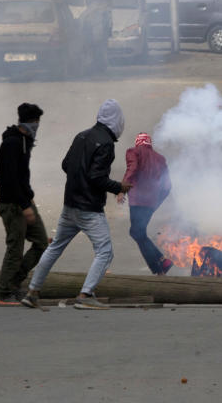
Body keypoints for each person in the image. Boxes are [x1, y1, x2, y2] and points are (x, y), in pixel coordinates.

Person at [21, 100, 130, 311]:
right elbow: (97, 177)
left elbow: (66, 164)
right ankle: (85, 295)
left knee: (54, 248)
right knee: (105, 251)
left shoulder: (82, 135)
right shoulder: (106, 143)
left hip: (69, 205)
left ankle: (32, 292)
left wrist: (78, 178)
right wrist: (119, 187)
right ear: (116, 121)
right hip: (89, 209)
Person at [0, 102, 47, 306]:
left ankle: (14, 282)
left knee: (42, 243)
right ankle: (5, 293)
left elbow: (22, 177)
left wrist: (29, 197)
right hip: (12, 204)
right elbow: (9, 179)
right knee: (15, 248)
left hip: (23, 200)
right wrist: (25, 205)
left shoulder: (25, 142)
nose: (38, 126)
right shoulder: (12, 143)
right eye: (36, 122)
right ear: (30, 122)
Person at [118, 133, 172, 275]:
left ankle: (158, 268)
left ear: (138, 143)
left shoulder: (133, 152)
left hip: (137, 200)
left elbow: (132, 169)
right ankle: (162, 262)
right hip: (151, 202)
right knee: (138, 232)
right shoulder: (160, 159)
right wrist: (156, 202)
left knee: (137, 232)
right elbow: (167, 186)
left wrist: (122, 190)